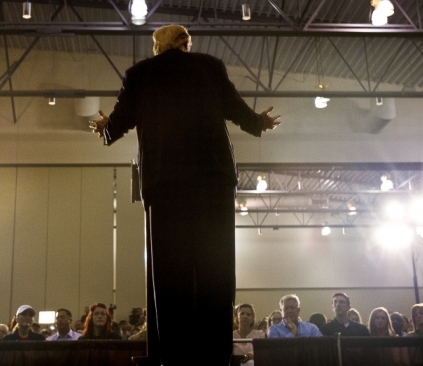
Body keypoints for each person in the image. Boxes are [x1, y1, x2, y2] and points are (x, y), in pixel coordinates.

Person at [90, 24, 280, 366]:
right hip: (214, 179)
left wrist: (105, 130)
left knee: (168, 272)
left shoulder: (140, 73)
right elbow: (235, 107)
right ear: (181, 42)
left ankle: (171, 354)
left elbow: (119, 123)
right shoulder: (210, 66)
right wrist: (258, 122)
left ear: (157, 46)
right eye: (187, 40)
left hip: (165, 182)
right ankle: (215, 352)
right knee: (217, 267)